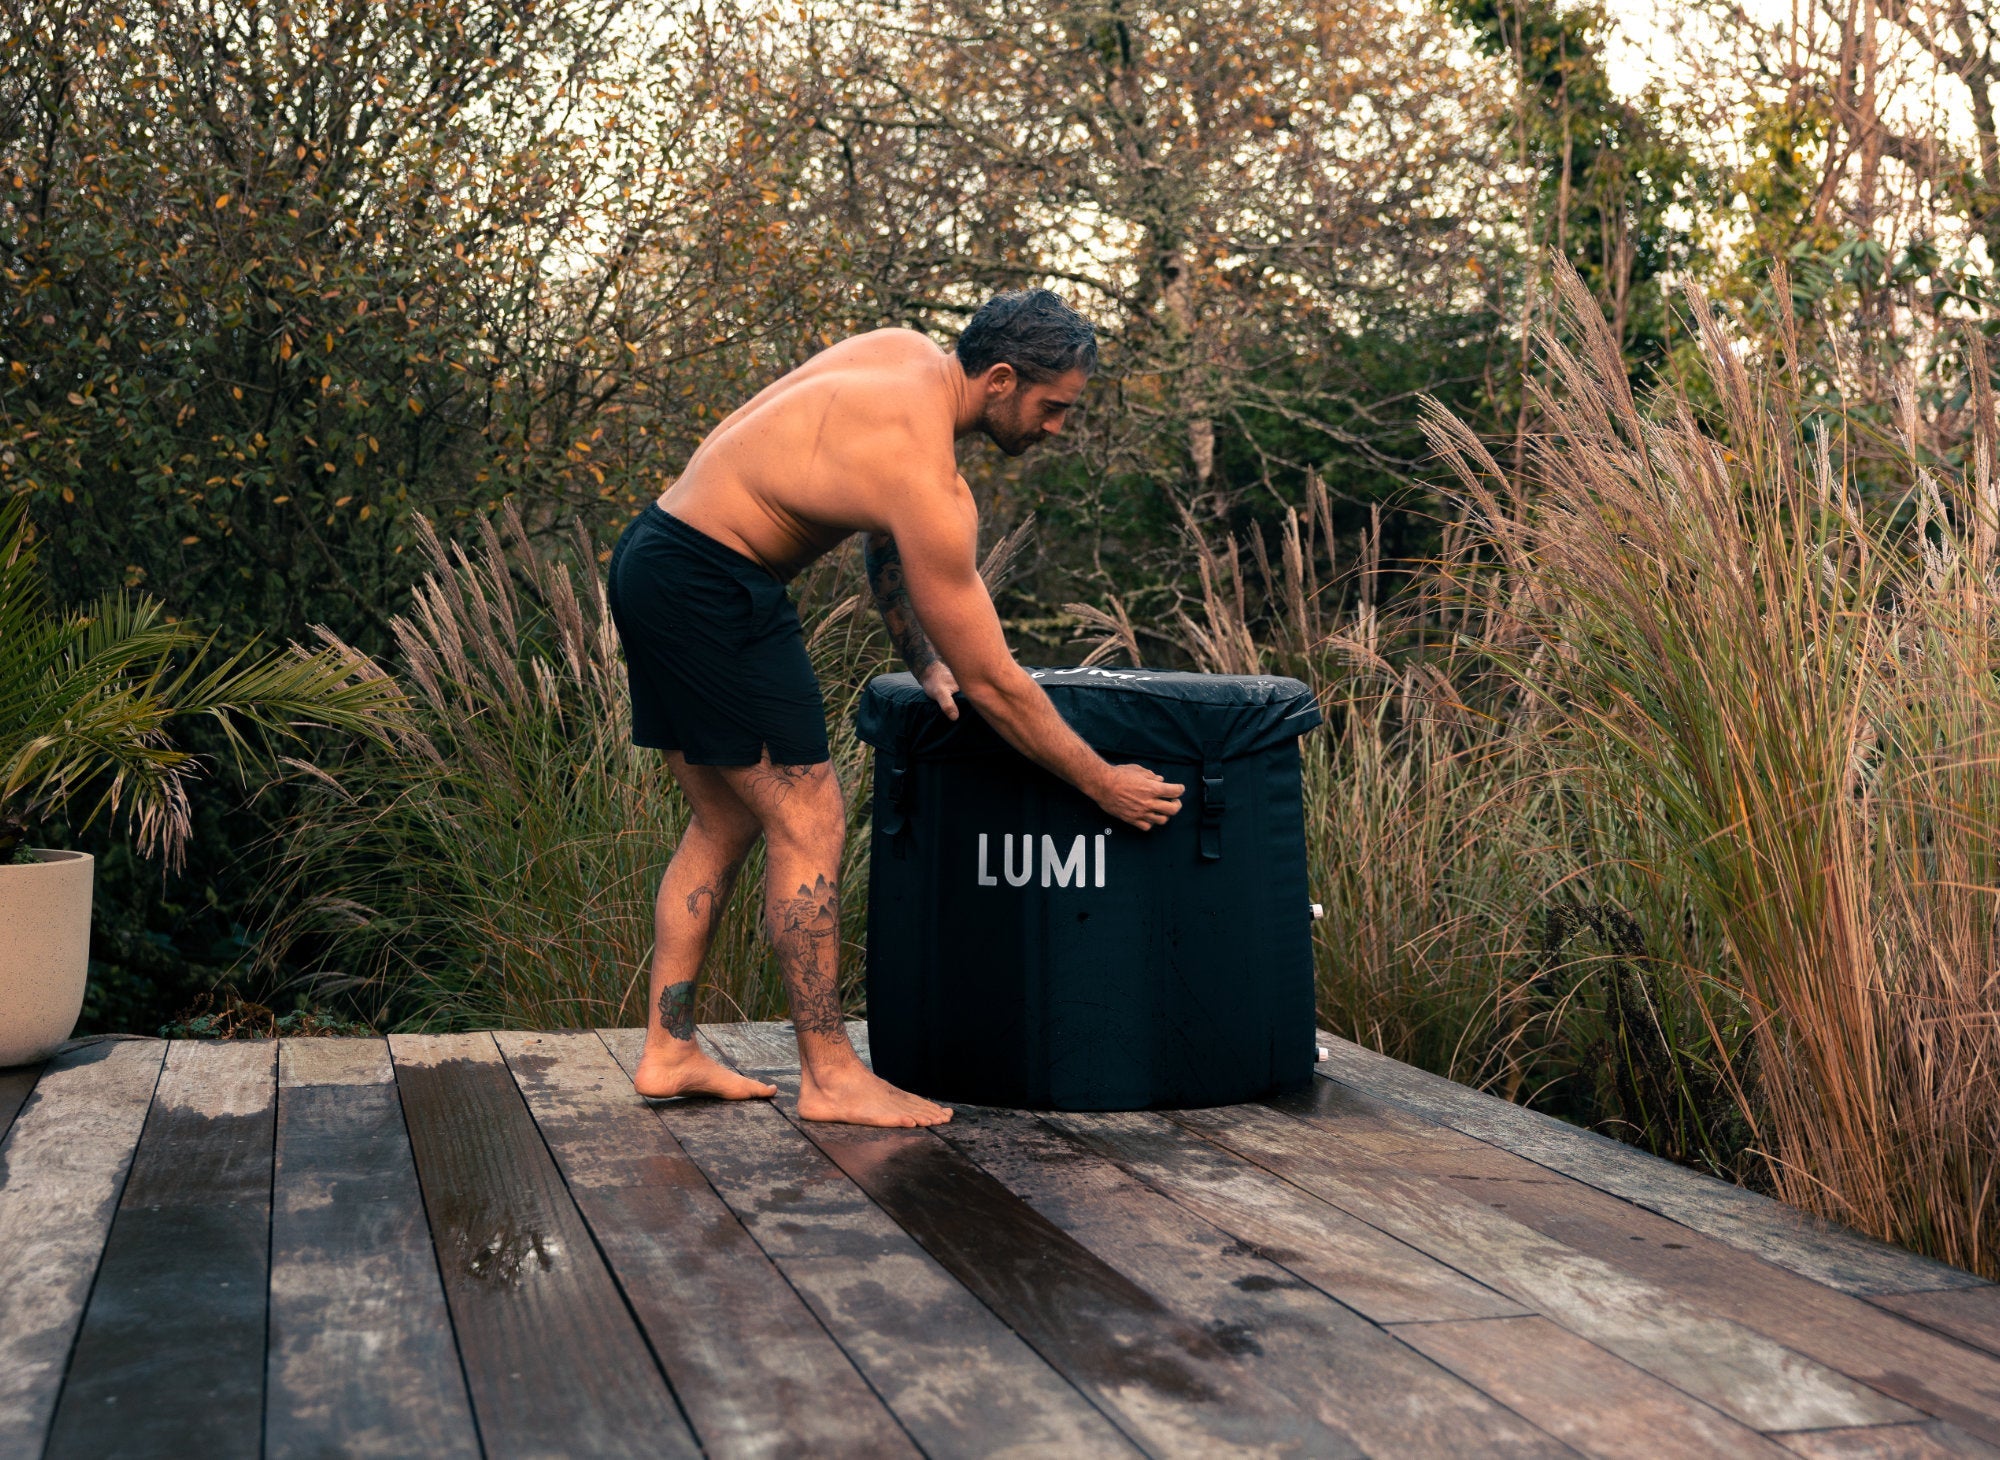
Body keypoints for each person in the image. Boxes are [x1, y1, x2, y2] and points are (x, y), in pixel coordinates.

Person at [607, 288, 1185, 1126]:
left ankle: (669, 1051)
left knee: (724, 820)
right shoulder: (929, 481)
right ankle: (831, 1075)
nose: (1058, 427)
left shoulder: (897, 356)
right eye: (1053, 407)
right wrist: (1103, 783)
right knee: (810, 817)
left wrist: (922, 660)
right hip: (714, 585)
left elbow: (879, 531)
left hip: (652, 554)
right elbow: (997, 685)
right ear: (1000, 379)